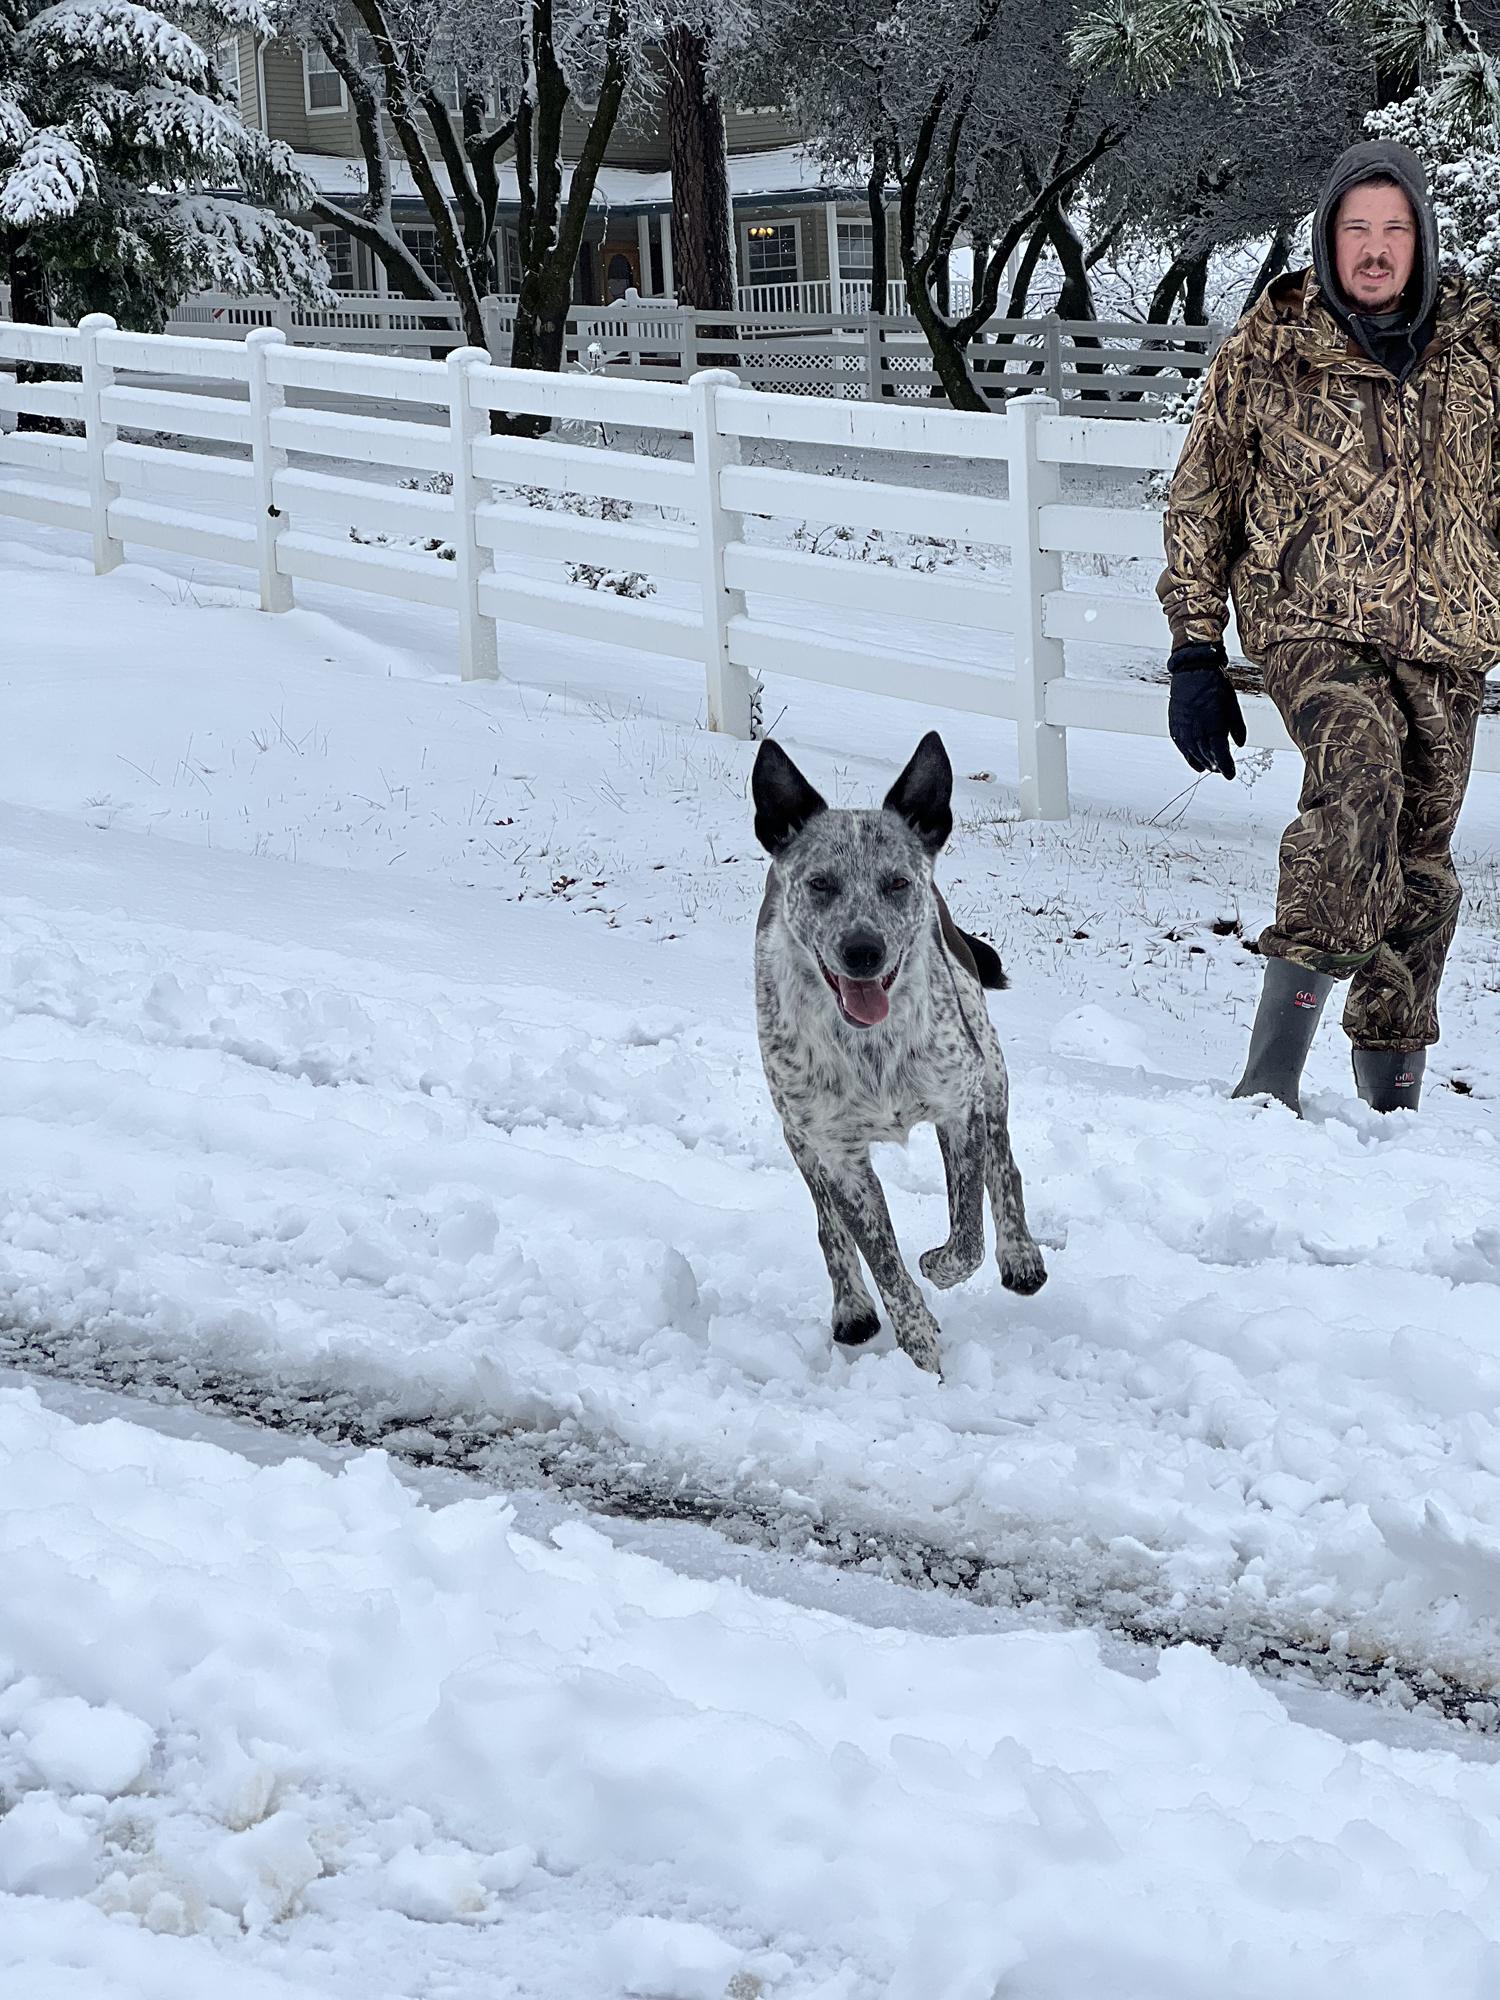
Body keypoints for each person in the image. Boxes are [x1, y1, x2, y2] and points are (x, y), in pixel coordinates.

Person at [1158, 138, 1497, 1116]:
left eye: (1396, 228)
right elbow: (1201, 496)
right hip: (1312, 623)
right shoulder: (1273, 344)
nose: (1378, 248)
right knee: (1358, 783)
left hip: (1446, 635)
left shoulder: (1480, 350)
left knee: (1420, 867)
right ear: (1329, 236)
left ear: (1422, 236)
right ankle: (1269, 1083)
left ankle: (1392, 1096)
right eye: (1359, 229)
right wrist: (1194, 645)